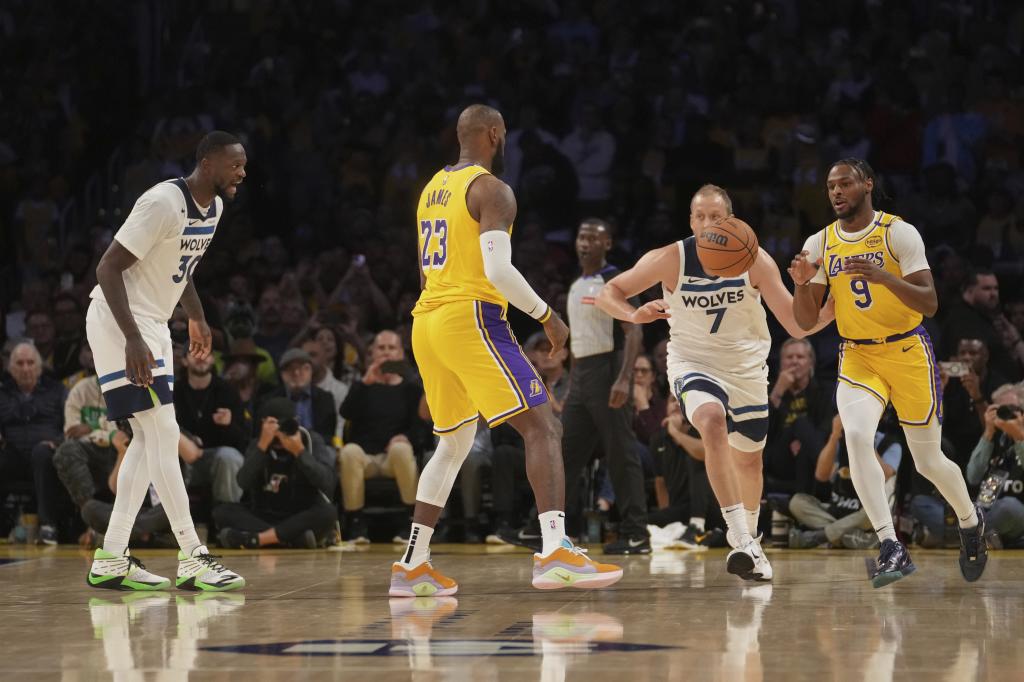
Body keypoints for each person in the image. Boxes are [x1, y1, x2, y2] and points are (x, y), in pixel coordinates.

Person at [390, 104, 622, 597]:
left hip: (427, 319)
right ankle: (556, 551)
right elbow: (497, 272)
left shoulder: (432, 188)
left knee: (452, 443)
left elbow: (427, 267)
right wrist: (547, 315)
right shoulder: (492, 189)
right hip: (470, 315)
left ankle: (413, 563)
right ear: (496, 134)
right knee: (543, 424)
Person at [597, 183, 833, 582]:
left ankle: (752, 544)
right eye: (700, 216)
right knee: (710, 421)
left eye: (716, 217)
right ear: (691, 221)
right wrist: (634, 315)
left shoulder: (755, 260)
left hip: (745, 369)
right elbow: (610, 292)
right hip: (692, 362)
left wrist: (833, 305)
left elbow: (796, 323)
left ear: (731, 219)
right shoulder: (671, 258)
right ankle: (739, 538)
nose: (708, 223)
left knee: (749, 460)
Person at [789, 157, 987, 587]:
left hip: (907, 351)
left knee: (929, 460)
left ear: (867, 185)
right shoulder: (820, 242)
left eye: (845, 184)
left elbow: (930, 303)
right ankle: (889, 544)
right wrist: (803, 283)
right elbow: (805, 322)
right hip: (858, 355)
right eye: (830, 187)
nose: (836, 192)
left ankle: (971, 523)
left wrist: (884, 277)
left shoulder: (898, 232)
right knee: (857, 436)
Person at [84, 131, 245, 592]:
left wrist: (195, 316)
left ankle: (113, 556)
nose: (242, 174)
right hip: (121, 321)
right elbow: (107, 268)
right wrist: (133, 337)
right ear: (209, 163)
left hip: (154, 323)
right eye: (235, 165)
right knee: (164, 431)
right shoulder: (161, 201)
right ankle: (192, 554)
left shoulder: (212, 210)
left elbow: (182, 267)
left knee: (147, 438)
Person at [561, 218, 649, 554]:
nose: (585, 243)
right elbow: (577, 342)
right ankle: (544, 529)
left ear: (607, 244)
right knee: (563, 454)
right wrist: (571, 385)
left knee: (620, 453)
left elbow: (635, 330)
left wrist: (624, 378)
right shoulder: (576, 284)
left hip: (608, 370)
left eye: (593, 239)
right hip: (581, 376)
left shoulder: (614, 279)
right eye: (581, 237)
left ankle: (637, 532)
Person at [215, 397, 338, 549]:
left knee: (328, 513)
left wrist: (299, 452)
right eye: (274, 426)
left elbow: (328, 483)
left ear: (296, 423)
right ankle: (290, 539)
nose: (279, 433)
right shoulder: (259, 443)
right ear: (264, 425)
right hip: (265, 515)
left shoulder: (311, 440)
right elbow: (243, 482)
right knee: (222, 512)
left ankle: (257, 539)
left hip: (300, 515)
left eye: (284, 426)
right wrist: (262, 448)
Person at [338, 330, 422, 544]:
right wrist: (365, 383)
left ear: (401, 354)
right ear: (372, 353)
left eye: (391, 348)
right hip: (365, 458)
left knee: (402, 449)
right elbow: (346, 413)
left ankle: (410, 521)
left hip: (392, 459)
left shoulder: (410, 388)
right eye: (381, 348)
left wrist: (405, 436)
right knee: (348, 452)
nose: (386, 353)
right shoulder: (363, 385)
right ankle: (356, 523)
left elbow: (421, 428)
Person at [787, 412, 902, 550]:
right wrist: (835, 435)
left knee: (876, 512)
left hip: (865, 514)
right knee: (797, 502)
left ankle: (820, 537)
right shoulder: (843, 440)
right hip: (838, 509)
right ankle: (847, 536)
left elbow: (885, 474)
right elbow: (821, 475)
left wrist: (865, 441)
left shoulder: (891, 444)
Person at [1, 342, 66, 544]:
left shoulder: (57, 390)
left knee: (41, 453)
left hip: (47, 454)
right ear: (10, 368)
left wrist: (58, 442)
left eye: (30, 363)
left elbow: (71, 423)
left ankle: (48, 526)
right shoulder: (2, 392)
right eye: (19, 363)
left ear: (39, 366)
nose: (25, 368)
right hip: (13, 453)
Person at [965, 384, 1024, 549]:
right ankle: (987, 535)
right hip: (989, 508)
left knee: (1009, 507)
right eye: (1000, 409)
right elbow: (972, 476)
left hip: (1017, 512)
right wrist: (988, 433)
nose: (1006, 414)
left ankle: (967, 535)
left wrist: (1019, 437)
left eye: (1012, 409)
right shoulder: (993, 439)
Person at [263, 348, 337, 444]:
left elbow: (328, 435)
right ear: (282, 374)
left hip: (316, 449)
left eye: (303, 368)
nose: (296, 373)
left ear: (311, 371)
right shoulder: (270, 401)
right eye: (290, 369)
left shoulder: (325, 398)